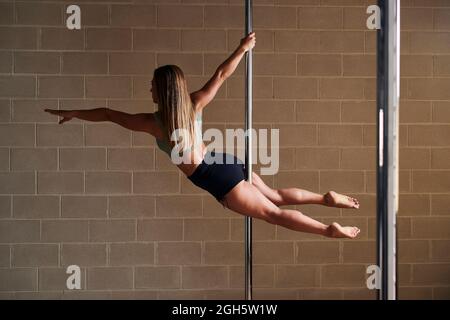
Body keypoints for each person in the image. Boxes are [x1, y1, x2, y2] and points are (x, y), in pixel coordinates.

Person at [45, 32, 361, 239]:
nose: (149, 90)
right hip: (225, 160)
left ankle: (327, 230)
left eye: (152, 87)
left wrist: (74, 113)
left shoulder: (152, 123)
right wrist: (243, 47)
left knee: (273, 214)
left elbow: (108, 113)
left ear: (160, 92)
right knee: (275, 195)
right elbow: (222, 74)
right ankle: (324, 198)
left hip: (214, 177)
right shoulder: (195, 103)